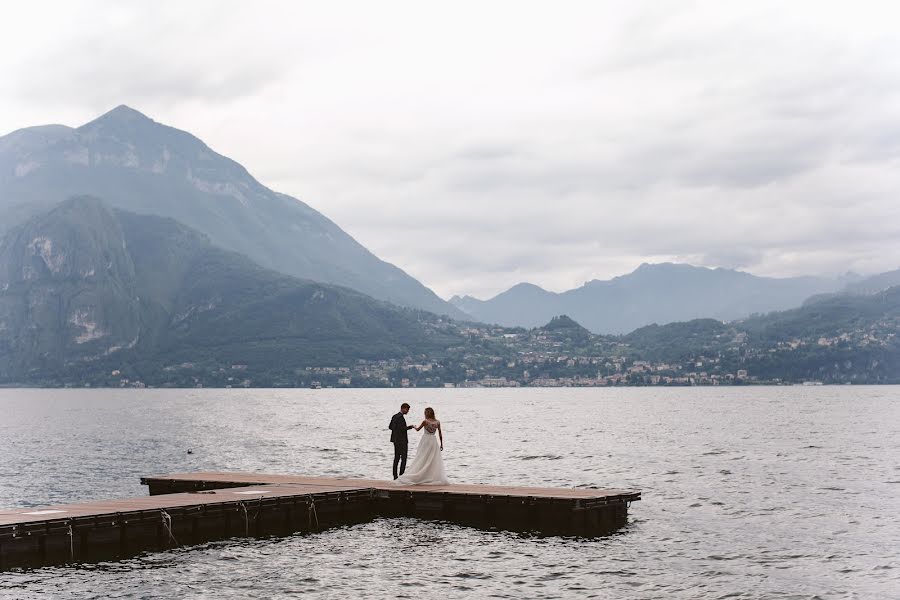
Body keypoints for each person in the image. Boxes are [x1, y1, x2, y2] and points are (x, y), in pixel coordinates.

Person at [394, 407, 448, 485]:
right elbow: (440, 433)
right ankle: (429, 475)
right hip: (433, 440)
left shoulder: (425, 421)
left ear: (427, 413)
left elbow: (418, 429)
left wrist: (414, 426)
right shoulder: (437, 422)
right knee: (432, 458)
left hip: (426, 440)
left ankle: (421, 474)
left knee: (422, 457)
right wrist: (441, 444)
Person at [389, 403, 414, 479]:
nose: (408, 411)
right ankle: (401, 475)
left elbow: (390, 427)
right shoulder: (400, 417)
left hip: (395, 440)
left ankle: (395, 476)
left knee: (396, 458)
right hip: (402, 440)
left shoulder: (394, 416)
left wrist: (396, 430)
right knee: (404, 458)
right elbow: (402, 429)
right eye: (407, 409)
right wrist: (410, 427)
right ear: (403, 408)